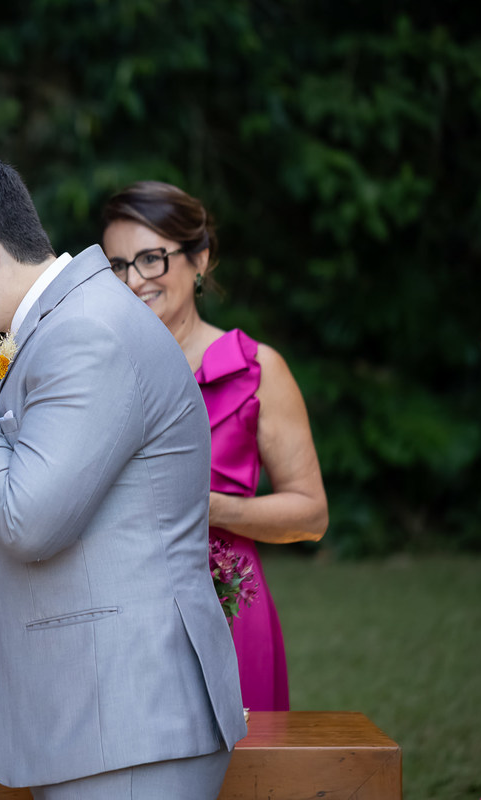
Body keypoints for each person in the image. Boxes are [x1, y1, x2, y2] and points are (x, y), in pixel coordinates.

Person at [0, 149, 247, 800]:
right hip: (101, 723)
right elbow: (26, 478)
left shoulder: (86, 332)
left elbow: (28, 519)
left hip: (133, 722)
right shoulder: (47, 329)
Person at [100, 180, 328, 712]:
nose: (134, 281)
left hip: (228, 610)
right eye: (117, 265)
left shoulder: (258, 369)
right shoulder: (98, 371)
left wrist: (212, 508)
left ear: (199, 259)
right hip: (113, 610)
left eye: (151, 259)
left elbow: (311, 513)